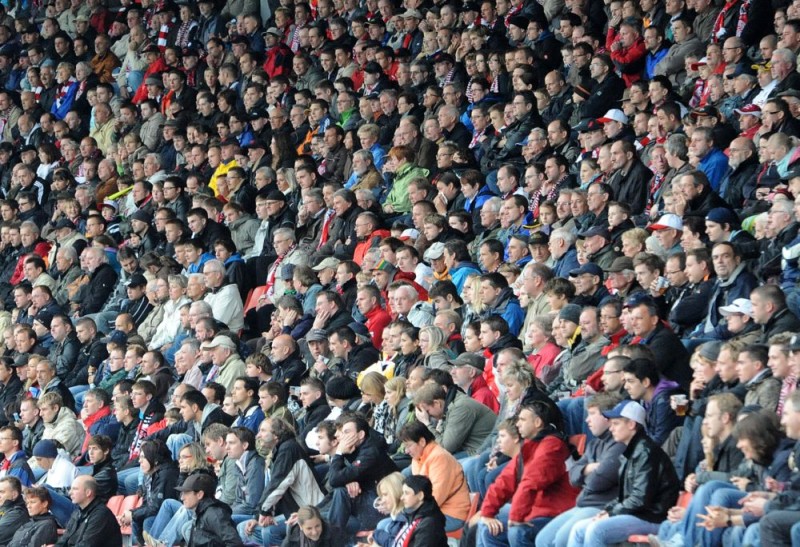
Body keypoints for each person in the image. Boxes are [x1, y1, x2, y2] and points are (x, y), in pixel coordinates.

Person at [568, 400, 679, 546]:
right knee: (579, 529)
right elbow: (624, 495)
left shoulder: (646, 452)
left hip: (653, 517)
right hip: (639, 514)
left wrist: (612, 513)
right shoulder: (631, 450)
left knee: (596, 530)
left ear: (631, 424)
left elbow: (639, 499)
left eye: (616, 424)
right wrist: (608, 510)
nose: (611, 429)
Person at [473, 401, 578, 546]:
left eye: (522, 420)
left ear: (537, 422)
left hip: (556, 511)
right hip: (536, 510)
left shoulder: (553, 445)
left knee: (518, 532)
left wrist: (516, 515)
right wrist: (487, 512)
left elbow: (531, 482)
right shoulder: (530, 445)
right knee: (488, 528)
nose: (517, 424)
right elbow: (504, 480)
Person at [398, 420, 470, 532]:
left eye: (409, 446)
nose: (406, 451)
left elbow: (436, 498)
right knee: (393, 518)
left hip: (451, 514)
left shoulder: (439, 457)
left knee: (397, 523)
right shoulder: (417, 457)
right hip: (430, 512)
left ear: (422, 441)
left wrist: (408, 510)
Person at [176, 473, 244, 547]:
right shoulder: (200, 511)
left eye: (186, 493)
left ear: (200, 494)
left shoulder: (214, 514)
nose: (182, 498)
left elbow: (235, 543)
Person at [58, 475, 122, 547]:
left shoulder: (101, 514)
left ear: (88, 492)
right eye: (71, 489)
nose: (70, 492)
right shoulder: (77, 512)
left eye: (75, 489)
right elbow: (63, 540)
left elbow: (87, 545)